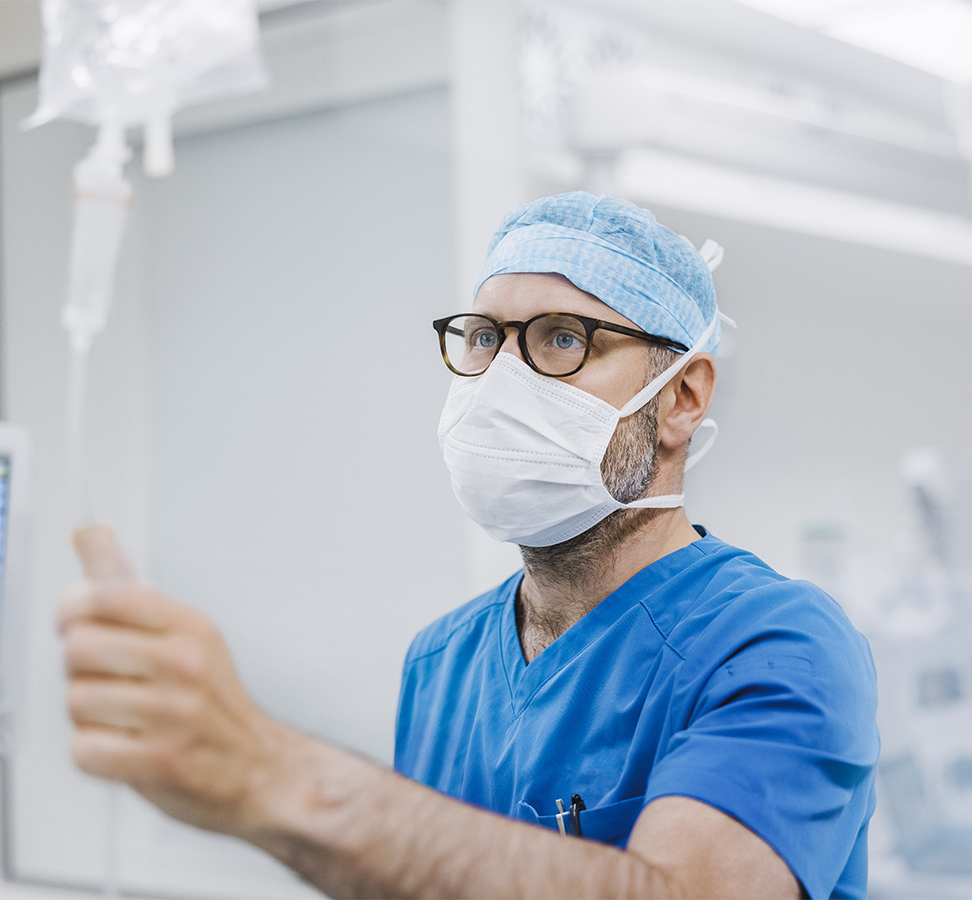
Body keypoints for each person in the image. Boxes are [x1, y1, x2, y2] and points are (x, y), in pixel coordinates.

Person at [59, 192, 878, 899]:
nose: (500, 382)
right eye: (484, 339)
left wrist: (272, 773)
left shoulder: (777, 647)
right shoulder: (441, 660)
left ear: (682, 398)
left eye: (562, 340)